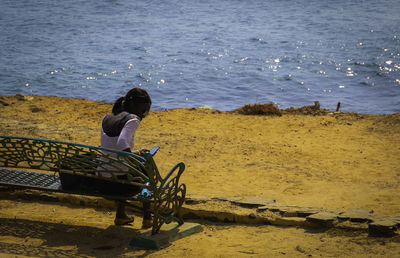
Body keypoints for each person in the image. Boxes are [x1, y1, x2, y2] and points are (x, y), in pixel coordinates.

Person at [99, 87, 153, 227]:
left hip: (103, 179)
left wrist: (136, 153)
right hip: (120, 184)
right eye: (144, 110)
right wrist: (134, 160)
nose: (144, 114)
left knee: (125, 168)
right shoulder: (133, 119)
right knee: (147, 176)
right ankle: (147, 217)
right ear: (136, 107)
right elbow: (122, 142)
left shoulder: (107, 117)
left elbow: (113, 149)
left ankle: (121, 215)